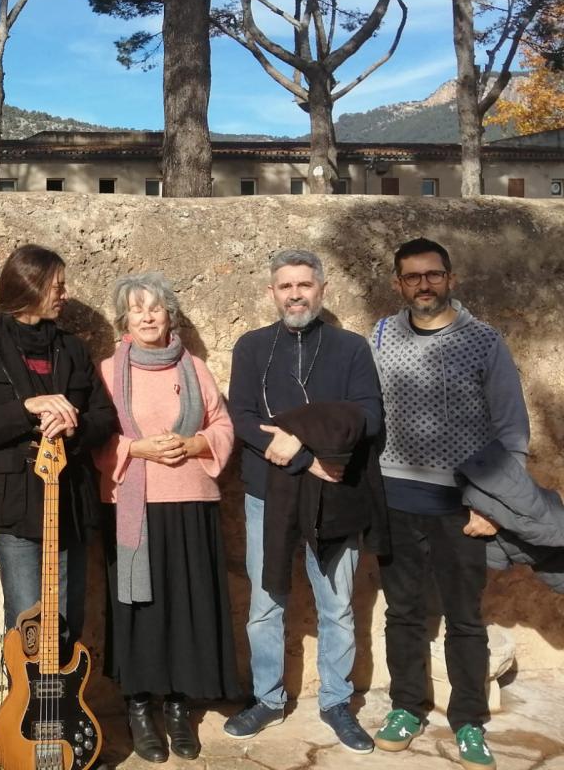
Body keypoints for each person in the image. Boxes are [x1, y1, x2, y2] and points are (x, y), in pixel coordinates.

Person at [370, 238, 529, 770]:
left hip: (463, 506)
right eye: (412, 277)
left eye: (433, 275)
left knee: (464, 618)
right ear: (398, 283)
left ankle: (467, 721)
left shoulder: (484, 342)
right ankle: (406, 708)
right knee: (404, 613)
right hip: (394, 500)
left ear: (450, 278)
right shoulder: (382, 334)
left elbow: (511, 430)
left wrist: (495, 507)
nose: (424, 285)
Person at [225, 249, 383, 753]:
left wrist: (311, 452)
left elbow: (370, 417)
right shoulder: (251, 347)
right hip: (267, 493)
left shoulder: (351, 348)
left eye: (304, 285)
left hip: (334, 493)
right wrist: (299, 457)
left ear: (322, 289)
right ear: (273, 292)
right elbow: (243, 418)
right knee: (265, 603)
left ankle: (336, 701)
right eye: (285, 286)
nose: (295, 294)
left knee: (336, 603)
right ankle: (268, 698)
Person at [94, 272, 237, 763]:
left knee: (185, 605)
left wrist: (197, 443)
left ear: (169, 314)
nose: (148, 316)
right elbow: (96, 436)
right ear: (125, 319)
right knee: (138, 610)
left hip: (190, 501)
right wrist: (137, 447)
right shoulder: (109, 372)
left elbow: (221, 423)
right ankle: (138, 707)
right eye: (138, 309)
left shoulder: (194, 367)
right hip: (133, 507)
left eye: (156, 308)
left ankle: (178, 708)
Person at [0, 244, 117, 648]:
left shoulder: (74, 349)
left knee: (66, 625)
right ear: (29, 287)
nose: (64, 295)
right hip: (15, 510)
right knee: (27, 628)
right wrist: (26, 408)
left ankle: (63, 710)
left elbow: (105, 418)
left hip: (70, 508)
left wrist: (73, 426)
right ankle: (26, 712)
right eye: (56, 287)